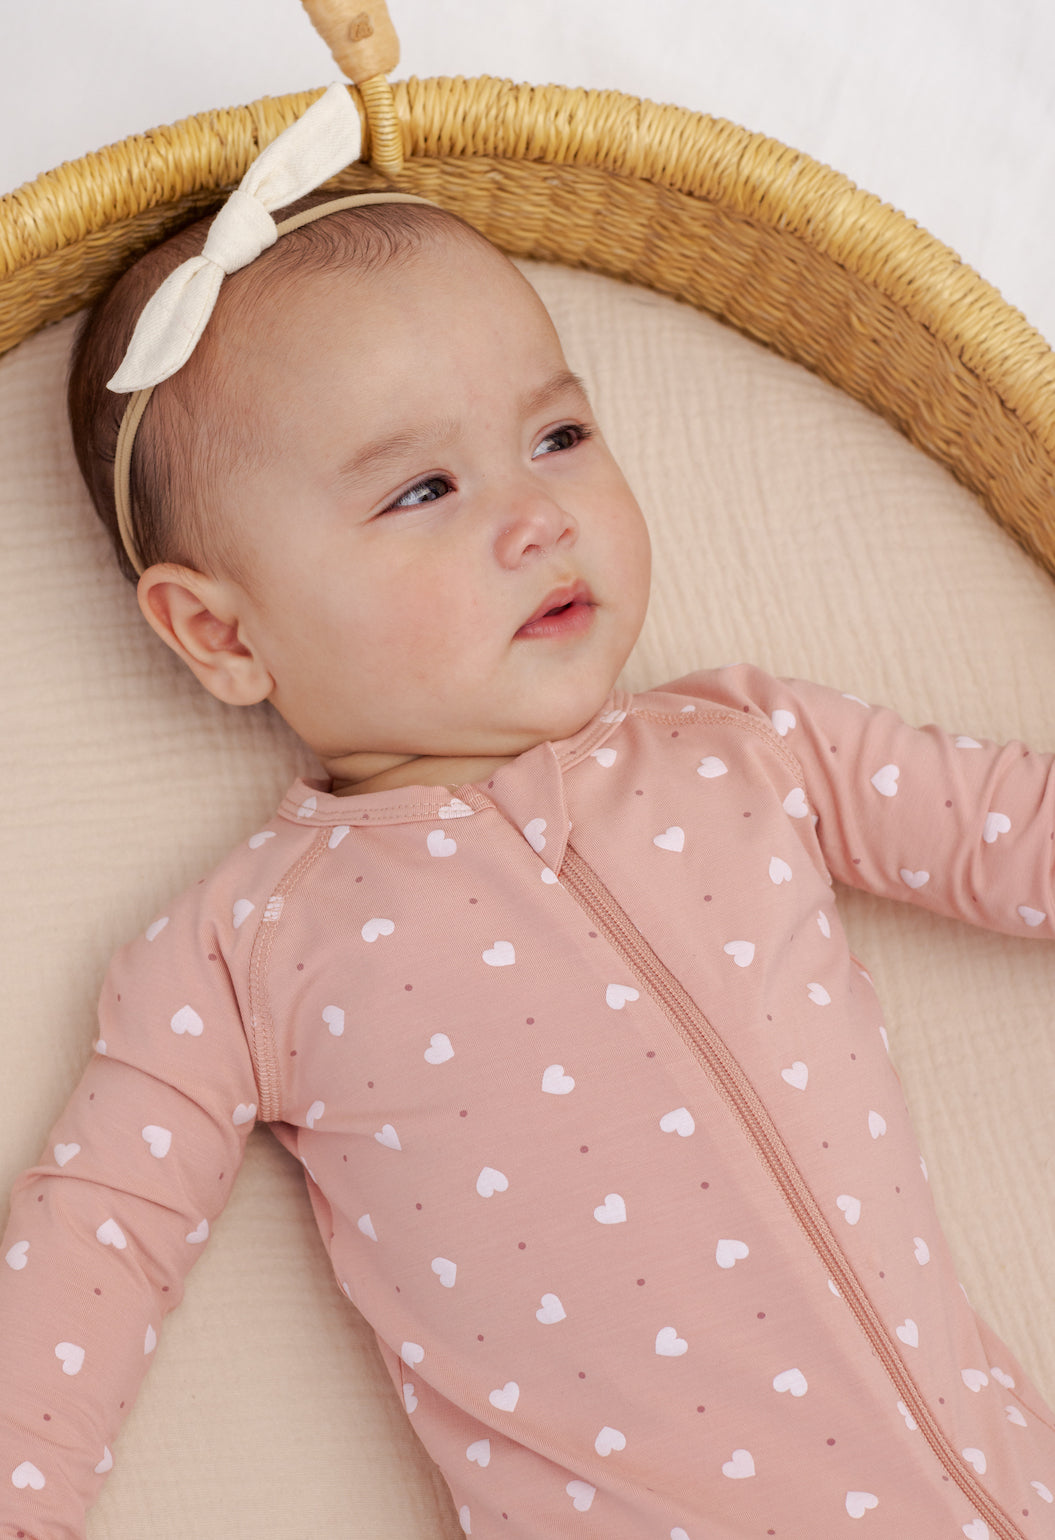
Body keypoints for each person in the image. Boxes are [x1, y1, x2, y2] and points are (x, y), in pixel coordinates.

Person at [2, 85, 1054, 1540]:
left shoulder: (750, 750)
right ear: (223, 634)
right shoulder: (247, 952)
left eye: (558, 435)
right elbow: (93, 1246)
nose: (537, 514)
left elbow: (1015, 830)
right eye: (424, 488)